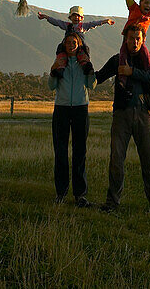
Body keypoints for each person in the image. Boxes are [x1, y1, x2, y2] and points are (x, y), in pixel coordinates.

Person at [95, 25, 150, 213]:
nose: (134, 42)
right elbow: (98, 77)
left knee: (149, 162)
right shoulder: (117, 60)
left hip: (144, 113)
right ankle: (112, 204)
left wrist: (131, 72)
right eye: (131, 38)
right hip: (121, 115)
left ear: (143, 40)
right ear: (125, 39)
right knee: (116, 160)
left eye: (138, 38)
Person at [48, 31, 96, 207]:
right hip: (61, 109)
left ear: (79, 45)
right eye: (68, 42)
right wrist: (53, 71)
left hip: (80, 109)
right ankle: (61, 193)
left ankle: (80, 195)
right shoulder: (60, 63)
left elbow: (92, 85)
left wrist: (91, 72)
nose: (71, 45)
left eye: (74, 42)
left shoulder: (84, 64)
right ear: (64, 45)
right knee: (60, 152)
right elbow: (51, 86)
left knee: (79, 152)